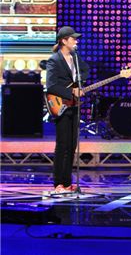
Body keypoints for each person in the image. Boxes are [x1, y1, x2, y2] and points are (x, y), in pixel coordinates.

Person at [46, 26, 89, 194]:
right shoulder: (54, 60)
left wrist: (79, 84)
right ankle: (58, 183)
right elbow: (51, 85)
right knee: (62, 145)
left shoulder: (75, 57)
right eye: (73, 38)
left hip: (73, 105)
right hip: (60, 105)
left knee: (71, 146)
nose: (76, 41)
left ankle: (67, 182)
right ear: (64, 41)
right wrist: (71, 91)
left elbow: (86, 70)